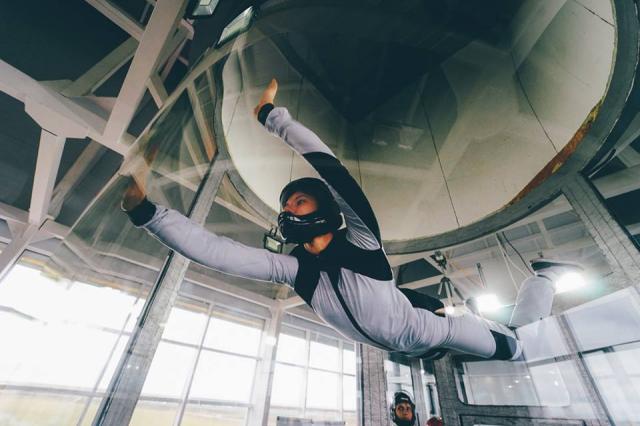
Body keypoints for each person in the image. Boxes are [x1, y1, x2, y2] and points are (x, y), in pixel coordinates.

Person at [122, 78, 581, 361]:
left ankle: (542, 280)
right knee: (429, 328)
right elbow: (219, 254)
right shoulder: (295, 269)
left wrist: (271, 117)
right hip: (400, 347)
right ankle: (442, 304)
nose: (286, 210)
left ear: (323, 209)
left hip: (431, 332)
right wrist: (148, 214)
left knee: (516, 349)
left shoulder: (361, 240)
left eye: (298, 201)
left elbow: (329, 167)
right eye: (286, 205)